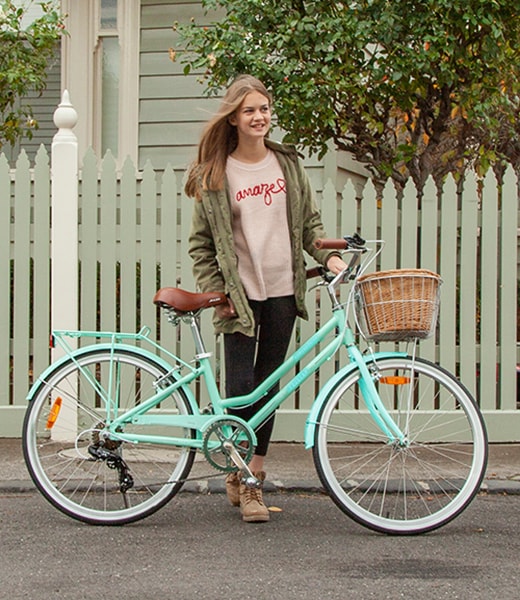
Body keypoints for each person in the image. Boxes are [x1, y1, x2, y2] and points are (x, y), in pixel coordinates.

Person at [186, 74, 347, 523]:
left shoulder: (287, 165)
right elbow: (201, 244)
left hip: (282, 291)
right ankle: (239, 471)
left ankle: (251, 477)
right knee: (241, 392)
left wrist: (328, 258)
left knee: (269, 391)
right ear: (234, 118)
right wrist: (217, 291)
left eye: (264, 108)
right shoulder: (217, 173)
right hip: (237, 296)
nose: (259, 117)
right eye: (250, 110)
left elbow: (309, 226)